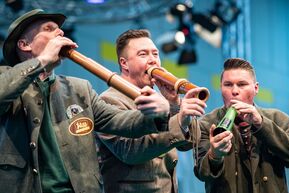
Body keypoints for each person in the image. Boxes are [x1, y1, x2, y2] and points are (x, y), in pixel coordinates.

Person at [0, 9, 173, 193]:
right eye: (49, 29)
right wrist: (41, 61)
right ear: (24, 44)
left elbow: (121, 121)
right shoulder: (6, 78)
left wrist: (160, 114)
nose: (60, 33)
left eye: (60, 29)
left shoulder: (79, 88)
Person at [95, 29, 207, 193]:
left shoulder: (160, 98)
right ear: (124, 63)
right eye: (143, 54)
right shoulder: (109, 100)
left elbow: (190, 143)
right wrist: (177, 118)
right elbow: (130, 152)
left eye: (155, 54)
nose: (153, 60)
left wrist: (174, 102)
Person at [194, 58, 289, 193]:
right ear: (221, 88)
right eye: (228, 84)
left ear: (256, 88)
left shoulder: (278, 119)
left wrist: (262, 124)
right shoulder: (206, 124)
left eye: (242, 84)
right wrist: (214, 156)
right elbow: (201, 174)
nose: (235, 91)